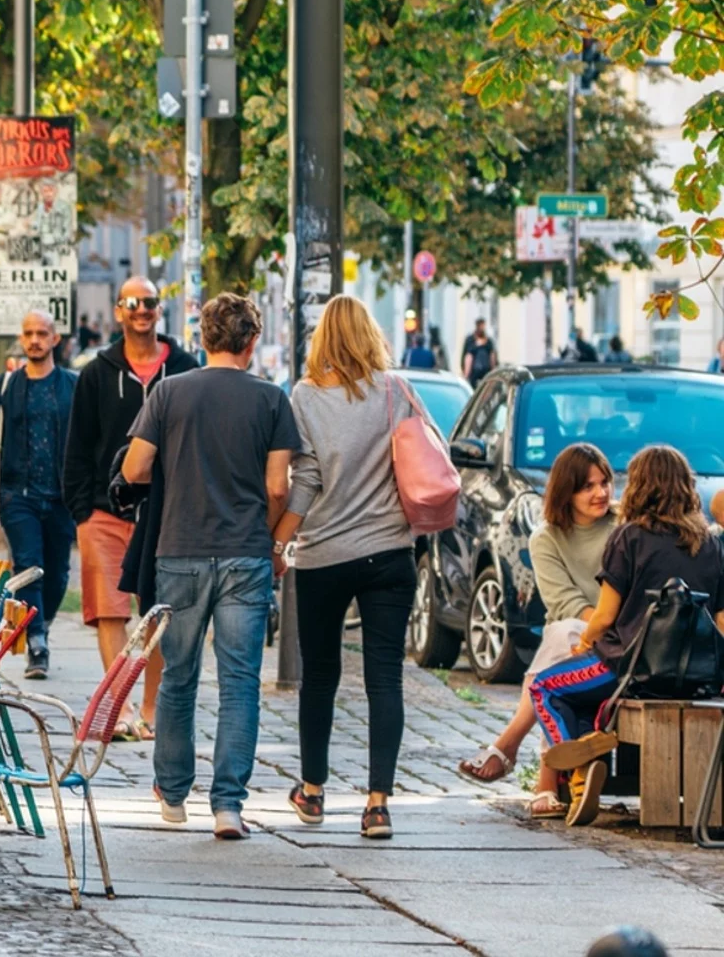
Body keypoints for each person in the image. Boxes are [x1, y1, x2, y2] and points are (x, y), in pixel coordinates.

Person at [120, 293, 298, 840]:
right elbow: (277, 486)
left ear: (203, 338)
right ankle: (228, 805)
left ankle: (172, 795)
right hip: (246, 551)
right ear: (251, 341)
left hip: (180, 548)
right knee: (240, 680)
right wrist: (268, 538)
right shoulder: (273, 400)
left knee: (178, 675)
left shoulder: (170, 392)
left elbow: (133, 469)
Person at [270, 295, 421, 840]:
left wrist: (278, 542)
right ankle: (378, 804)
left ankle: (312, 792)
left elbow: (304, 479)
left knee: (320, 676)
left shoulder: (305, 397)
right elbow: (428, 453)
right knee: (385, 678)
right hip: (389, 553)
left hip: (324, 556)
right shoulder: (396, 391)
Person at [530, 445, 724, 827]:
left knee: (546, 687)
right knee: (581, 702)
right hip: (699, 677)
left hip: (632, 669)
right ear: (685, 486)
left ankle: (582, 771)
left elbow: (604, 617)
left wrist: (586, 645)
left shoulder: (629, 537)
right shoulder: (711, 544)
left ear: (640, 487)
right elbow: (720, 618)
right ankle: (586, 770)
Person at [63, 277, 197, 731]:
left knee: (157, 611)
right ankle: (117, 707)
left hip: (166, 511)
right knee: (110, 609)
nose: (142, 310)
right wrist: (81, 511)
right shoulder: (97, 373)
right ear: (118, 312)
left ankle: (151, 708)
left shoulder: (184, 367)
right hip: (103, 510)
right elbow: (78, 445)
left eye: (150, 303)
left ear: (160, 311)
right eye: (133, 303)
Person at [457, 444, 615, 819]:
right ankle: (541, 772)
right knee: (563, 635)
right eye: (588, 486)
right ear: (566, 492)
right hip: (576, 637)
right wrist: (591, 630)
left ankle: (517, 753)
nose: (601, 493)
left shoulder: (620, 529)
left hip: (610, 639)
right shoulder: (545, 538)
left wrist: (598, 630)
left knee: (560, 642)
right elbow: (564, 601)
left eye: (605, 482)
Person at [0, 310, 78, 678]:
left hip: (61, 496)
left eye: (42, 333)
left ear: (55, 338)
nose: (35, 340)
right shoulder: (7, 386)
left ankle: (39, 623)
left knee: (58, 574)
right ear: (21, 338)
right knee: (30, 567)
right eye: (28, 333)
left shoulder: (73, 385)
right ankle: (37, 644)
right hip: (17, 493)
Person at [461, 318, 496, 386]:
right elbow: (466, 354)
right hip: (474, 370)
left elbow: (492, 355)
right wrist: (464, 370)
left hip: (486, 368)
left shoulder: (488, 341)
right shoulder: (470, 339)